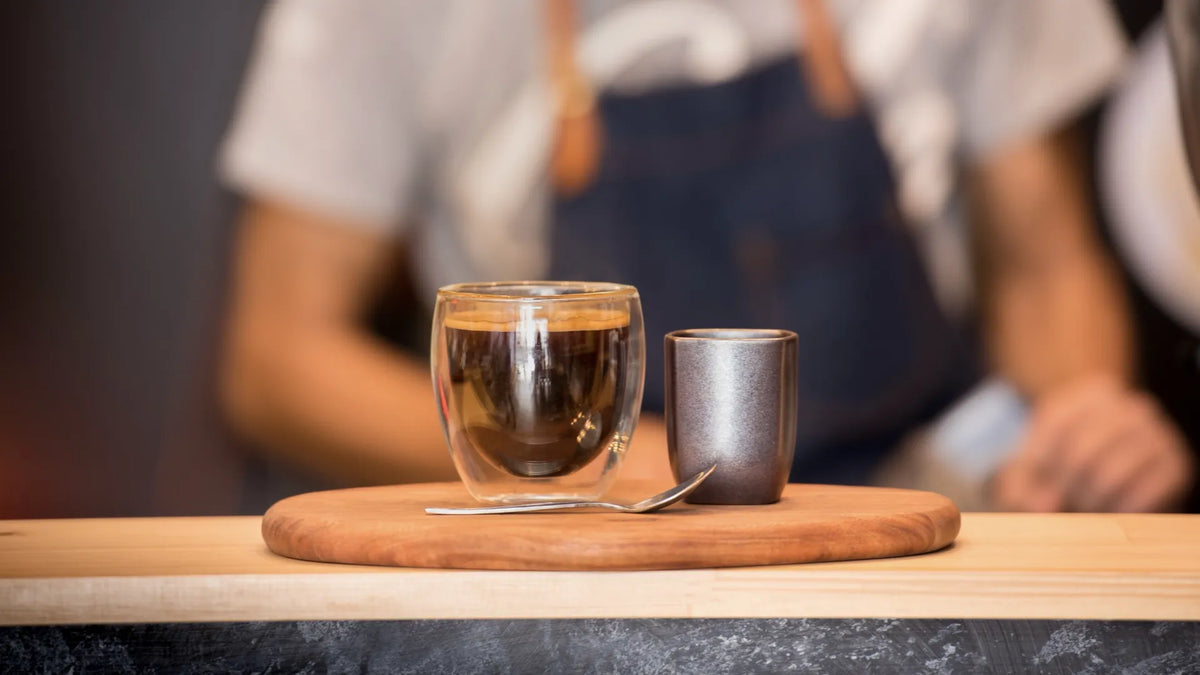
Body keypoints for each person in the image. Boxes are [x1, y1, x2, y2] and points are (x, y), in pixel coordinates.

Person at [218, 0, 1195, 512]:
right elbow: (276, 357)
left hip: (915, 530)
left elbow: (1045, 263)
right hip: (582, 574)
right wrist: (594, 468)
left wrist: (1076, 429)